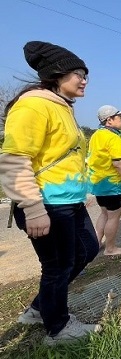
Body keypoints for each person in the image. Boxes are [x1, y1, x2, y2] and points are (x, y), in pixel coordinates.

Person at [0, 41, 101, 345]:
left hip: (69, 202)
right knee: (57, 267)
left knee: (87, 251)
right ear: (56, 74)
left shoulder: (62, 106)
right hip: (47, 203)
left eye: (86, 74)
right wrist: (32, 208)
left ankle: (39, 307)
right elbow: (14, 159)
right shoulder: (34, 104)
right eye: (77, 73)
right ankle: (57, 328)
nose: (84, 79)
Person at [88, 105, 121, 255]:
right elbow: (118, 163)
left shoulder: (96, 135)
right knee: (114, 217)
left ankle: (96, 244)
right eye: (119, 117)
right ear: (109, 120)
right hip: (111, 185)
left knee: (104, 214)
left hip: (98, 183)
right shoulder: (113, 138)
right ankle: (110, 248)